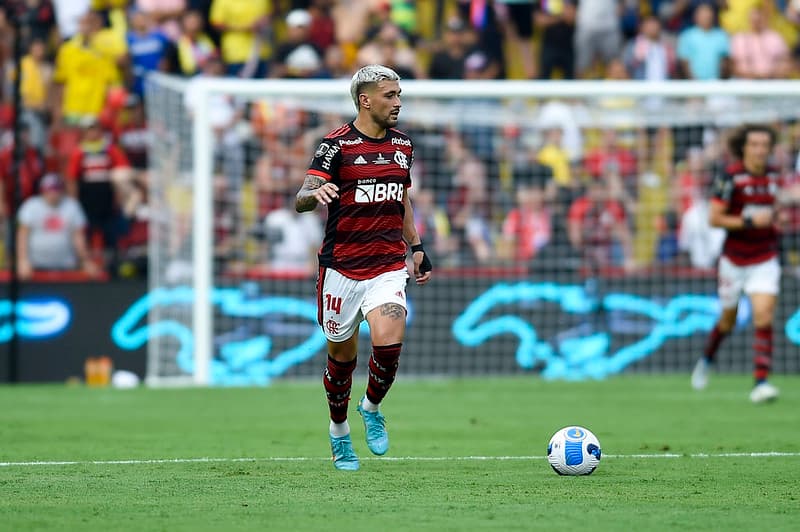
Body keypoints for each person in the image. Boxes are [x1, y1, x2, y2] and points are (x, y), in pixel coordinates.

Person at [295, 65, 432, 471]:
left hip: (387, 266)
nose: (398, 102)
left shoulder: (404, 145)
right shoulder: (335, 146)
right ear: (365, 99)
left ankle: (371, 407)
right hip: (340, 269)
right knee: (342, 361)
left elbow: (401, 199)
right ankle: (339, 432)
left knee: (389, 344)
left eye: (399, 94)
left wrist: (417, 245)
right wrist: (313, 192)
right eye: (390, 95)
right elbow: (301, 197)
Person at [691, 124, 783, 403]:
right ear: (743, 147)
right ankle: (707, 357)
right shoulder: (730, 177)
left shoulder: (776, 178)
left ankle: (761, 382)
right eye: (753, 144)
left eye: (764, 145)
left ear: (769, 149)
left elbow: (778, 212)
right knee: (728, 320)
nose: (759, 150)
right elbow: (714, 218)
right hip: (734, 259)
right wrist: (748, 220)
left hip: (765, 256)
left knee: (764, 315)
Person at [16, 173, 99, 280]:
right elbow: (22, 236)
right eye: (50, 189)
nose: (53, 193)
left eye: (56, 188)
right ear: (43, 190)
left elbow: (78, 237)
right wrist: (22, 260)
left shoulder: (72, 206)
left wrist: (85, 261)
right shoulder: (31, 206)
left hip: (66, 266)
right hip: (35, 267)